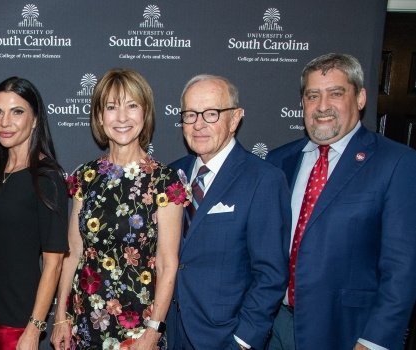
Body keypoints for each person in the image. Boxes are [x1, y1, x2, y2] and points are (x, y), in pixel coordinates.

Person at [265, 53, 416, 350]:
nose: (322, 106)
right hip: (274, 326)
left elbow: (403, 267)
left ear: (360, 98)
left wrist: (374, 341)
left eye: (336, 93)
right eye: (313, 95)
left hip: (347, 331)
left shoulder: (397, 163)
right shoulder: (279, 161)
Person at [51, 68, 182, 350]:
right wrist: (61, 316)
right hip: (84, 324)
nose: (122, 117)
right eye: (111, 107)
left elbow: (167, 264)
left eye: (132, 105)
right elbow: (72, 253)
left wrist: (153, 333)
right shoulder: (85, 177)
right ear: (99, 116)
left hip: (138, 331)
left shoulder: (165, 182)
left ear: (145, 113)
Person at [166, 75, 290, 350]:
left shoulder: (263, 179)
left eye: (211, 114)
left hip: (225, 339)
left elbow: (270, 274)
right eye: (190, 114)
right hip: (171, 335)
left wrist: (243, 341)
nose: (199, 124)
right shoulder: (171, 175)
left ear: (235, 119)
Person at [0, 77, 68, 349]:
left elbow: (53, 264)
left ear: (34, 120)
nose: (4, 122)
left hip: (17, 325)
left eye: (17, 111)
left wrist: (34, 329)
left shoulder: (47, 177)